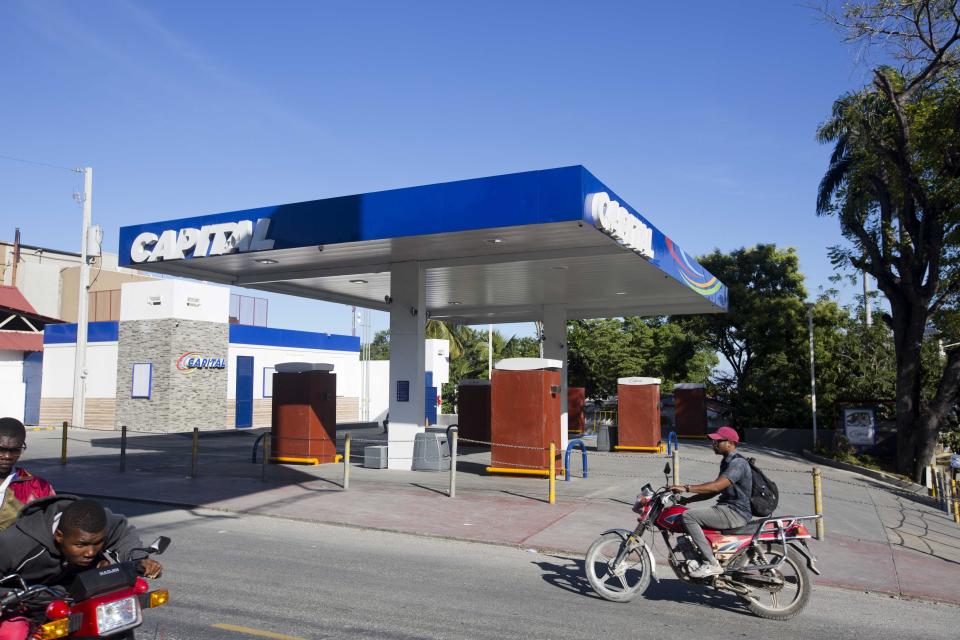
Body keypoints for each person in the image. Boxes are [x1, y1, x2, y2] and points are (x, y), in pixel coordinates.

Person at [0, 496, 163, 639]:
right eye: (81, 545)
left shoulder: (96, 522)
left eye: (97, 543)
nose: (90, 552)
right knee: (14, 631)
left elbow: (122, 532)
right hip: (21, 600)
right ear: (59, 536)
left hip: (73, 592)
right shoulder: (18, 544)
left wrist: (140, 559)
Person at [667, 425, 752, 579]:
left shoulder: (738, 463)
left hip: (735, 512)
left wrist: (686, 488)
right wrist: (688, 500)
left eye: (718, 441)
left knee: (688, 517)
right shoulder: (726, 462)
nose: (714, 444)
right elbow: (715, 490)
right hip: (727, 508)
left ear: (730, 443)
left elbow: (716, 485)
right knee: (687, 514)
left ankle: (711, 563)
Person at [0, 418, 54, 531]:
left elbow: (50, 528)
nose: (7, 456)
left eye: (15, 450)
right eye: (1, 449)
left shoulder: (39, 487)